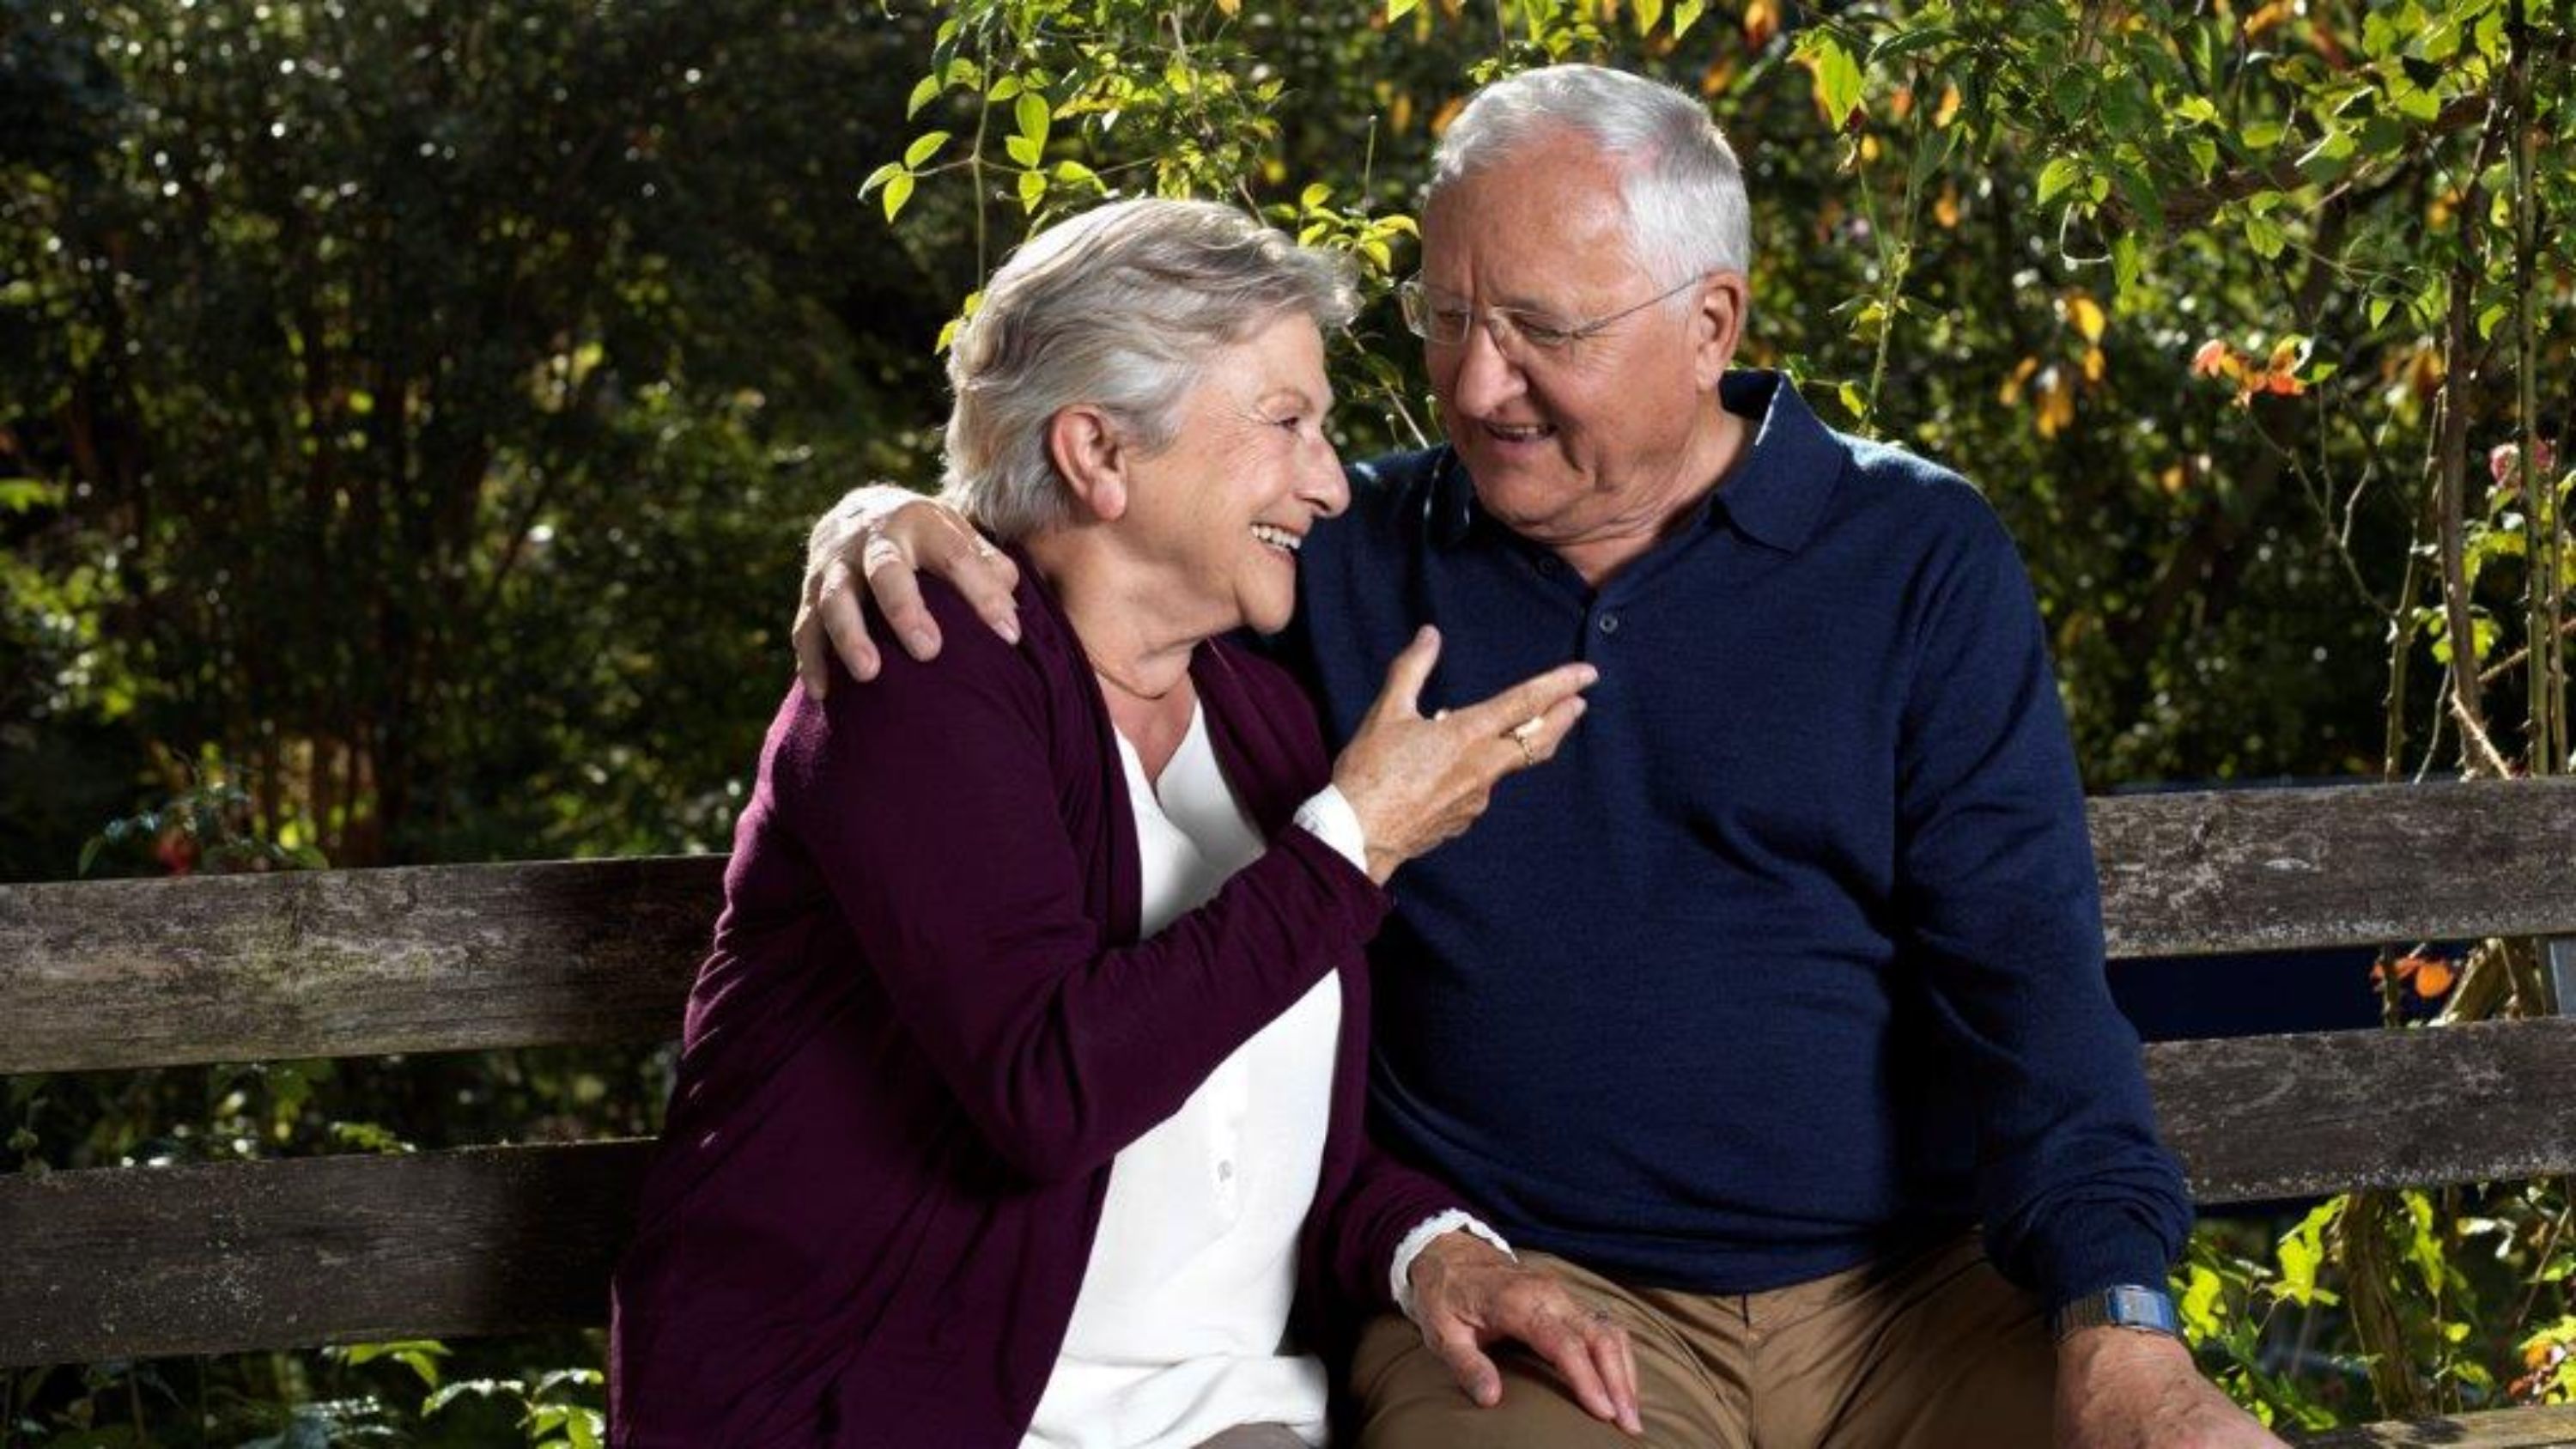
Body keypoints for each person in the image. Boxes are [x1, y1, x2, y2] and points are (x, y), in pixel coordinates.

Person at [793, 68, 2287, 1449]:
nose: (1477, 386)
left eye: (1542, 332)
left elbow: (2030, 984)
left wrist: (2121, 1323)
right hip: (1535, 1303)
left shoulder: (1913, 558)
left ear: (1713, 324)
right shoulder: (1337, 556)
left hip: (1911, 1296)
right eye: (1446, 321)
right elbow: (1094, 544)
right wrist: (889, 516)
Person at [608, 198, 1635, 1449]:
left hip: (1233, 1415)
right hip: (902, 1408)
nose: (1327, 483)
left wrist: (1434, 1252)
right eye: (1286, 423)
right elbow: (1052, 1088)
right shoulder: (924, 665)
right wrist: (1353, 839)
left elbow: (1266, 1125)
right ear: (1097, 454)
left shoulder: (1257, 718)